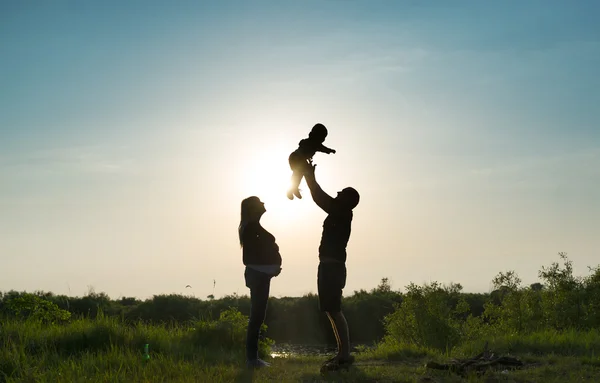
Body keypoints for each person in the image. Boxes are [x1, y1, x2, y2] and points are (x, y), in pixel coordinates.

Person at [302, 160, 360, 370]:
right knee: (330, 310)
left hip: (333, 268)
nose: (337, 192)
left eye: (341, 192)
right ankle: (342, 354)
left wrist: (309, 176)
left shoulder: (342, 212)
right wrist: (310, 178)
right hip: (328, 266)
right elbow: (321, 197)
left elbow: (319, 197)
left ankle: (344, 355)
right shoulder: (339, 212)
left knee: (335, 310)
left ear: (347, 200)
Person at [238, 196, 282, 368]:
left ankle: (253, 358)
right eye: (259, 202)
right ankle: (252, 359)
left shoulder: (252, 227)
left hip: (261, 275)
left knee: (258, 316)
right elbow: (251, 257)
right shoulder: (250, 229)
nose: (264, 203)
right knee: (256, 317)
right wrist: (271, 267)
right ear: (252, 208)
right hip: (258, 276)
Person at [287, 123, 336, 200]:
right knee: (298, 173)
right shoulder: (312, 142)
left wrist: (329, 150)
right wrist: (329, 150)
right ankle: (292, 188)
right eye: (322, 137)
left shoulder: (314, 143)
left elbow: (321, 148)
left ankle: (294, 188)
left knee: (299, 173)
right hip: (296, 158)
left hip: (299, 159)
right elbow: (321, 148)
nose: (323, 140)